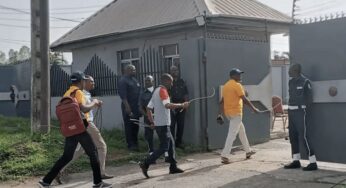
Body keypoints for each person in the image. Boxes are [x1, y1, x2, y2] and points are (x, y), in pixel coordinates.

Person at [38, 71, 112, 188]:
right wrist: (94, 102)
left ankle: (46, 181)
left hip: (70, 128)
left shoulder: (67, 93)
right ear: (82, 81)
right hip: (81, 126)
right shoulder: (78, 92)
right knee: (93, 152)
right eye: (84, 81)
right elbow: (84, 109)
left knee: (67, 156)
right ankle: (98, 183)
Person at [139, 73, 189, 178]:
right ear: (166, 81)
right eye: (170, 81)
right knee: (164, 147)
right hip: (163, 125)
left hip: (159, 124)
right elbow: (167, 105)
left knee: (171, 144)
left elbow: (148, 108)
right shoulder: (163, 91)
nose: (172, 84)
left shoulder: (156, 91)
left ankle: (173, 167)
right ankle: (146, 163)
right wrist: (182, 105)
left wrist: (152, 122)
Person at [217, 68, 258, 164]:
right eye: (238, 75)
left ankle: (248, 151)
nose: (240, 76)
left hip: (229, 113)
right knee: (232, 134)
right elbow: (244, 99)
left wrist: (219, 114)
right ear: (232, 76)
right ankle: (224, 155)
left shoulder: (226, 86)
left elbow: (221, 101)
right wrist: (254, 108)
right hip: (236, 113)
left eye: (240, 74)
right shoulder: (237, 85)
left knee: (242, 132)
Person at [284, 63, 318, 171]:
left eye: (290, 70)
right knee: (292, 136)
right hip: (291, 111)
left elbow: (309, 99)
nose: (288, 72)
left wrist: (304, 111)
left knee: (304, 137)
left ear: (296, 70)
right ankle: (296, 161)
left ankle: (313, 162)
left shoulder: (305, 82)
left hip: (301, 112)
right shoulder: (291, 82)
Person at [118, 64, 141, 151]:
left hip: (136, 107)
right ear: (126, 70)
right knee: (129, 126)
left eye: (134, 69)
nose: (134, 71)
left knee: (136, 126)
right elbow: (123, 96)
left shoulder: (134, 80)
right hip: (128, 107)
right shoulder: (123, 81)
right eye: (132, 70)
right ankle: (130, 145)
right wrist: (127, 107)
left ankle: (136, 144)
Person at [169, 66, 189, 149]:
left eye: (176, 70)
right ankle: (172, 144)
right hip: (172, 107)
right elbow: (167, 96)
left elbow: (186, 94)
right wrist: (171, 107)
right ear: (170, 72)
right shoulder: (169, 82)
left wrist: (186, 104)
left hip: (181, 106)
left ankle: (179, 143)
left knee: (181, 125)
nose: (175, 72)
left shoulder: (182, 81)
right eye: (173, 70)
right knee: (172, 126)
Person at [138, 75, 155, 154]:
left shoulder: (157, 91)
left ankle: (166, 152)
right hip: (147, 117)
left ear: (153, 81)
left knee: (163, 134)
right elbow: (140, 107)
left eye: (149, 80)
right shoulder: (143, 93)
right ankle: (151, 151)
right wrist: (147, 116)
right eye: (146, 81)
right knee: (149, 135)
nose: (147, 82)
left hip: (159, 117)